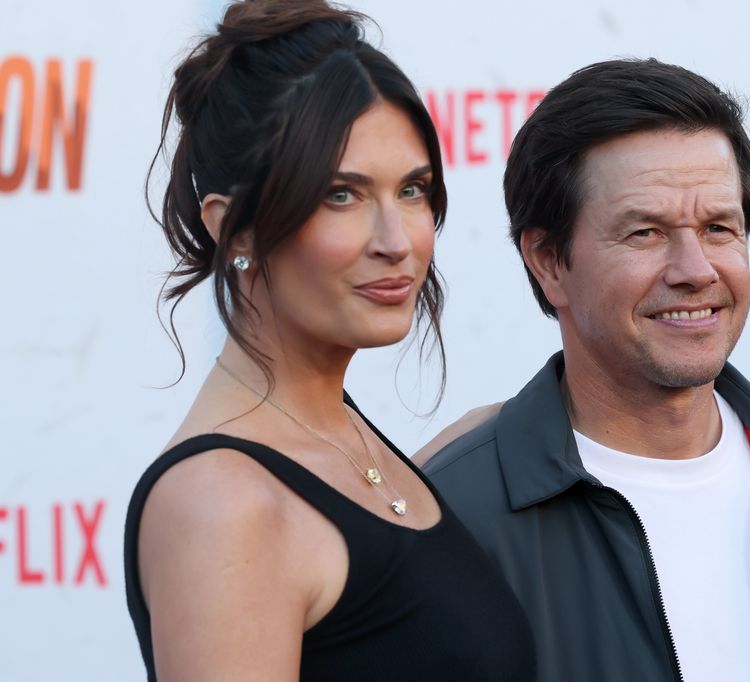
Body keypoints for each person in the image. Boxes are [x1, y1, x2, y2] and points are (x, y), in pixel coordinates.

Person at [421, 59, 750, 682]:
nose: (695, 269)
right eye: (645, 232)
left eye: (720, 228)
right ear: (549, 262)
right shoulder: (448, 523)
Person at [122, 2, 535, 680]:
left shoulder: (343, 445)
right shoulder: (223, 507)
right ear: (237, 231)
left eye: (412, 190)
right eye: (340, 195)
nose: (396, 241)